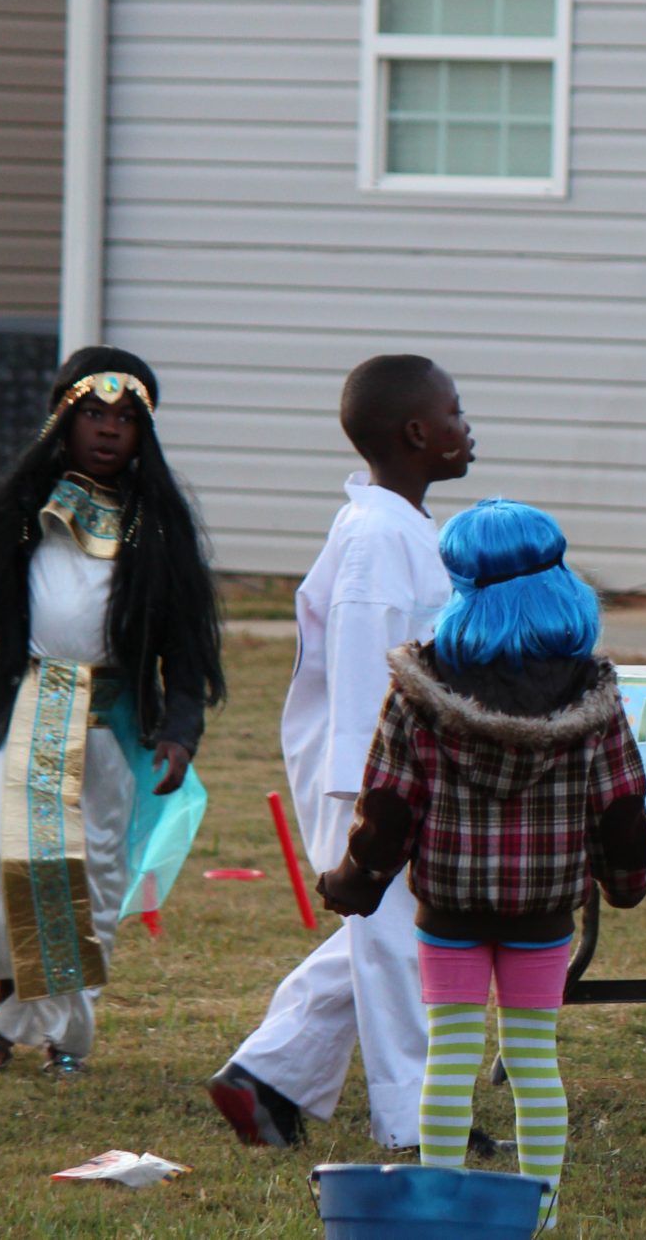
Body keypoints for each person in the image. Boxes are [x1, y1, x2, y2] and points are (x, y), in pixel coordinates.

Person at [315, 498, 646, 1231]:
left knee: (450, 1052)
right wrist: (627, 882)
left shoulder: (422, 691)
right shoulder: (593, 693)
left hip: (450, 910)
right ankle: (544, 1209)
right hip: (544, 913)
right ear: (558, 580)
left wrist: (358, 880)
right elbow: (621, 805)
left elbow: (389, 804)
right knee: (535, 1059)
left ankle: (440, 1198)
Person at [210, 354, 474, 1150]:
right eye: (457, 412)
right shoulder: (374, 541)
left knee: (383, 934)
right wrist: (382, 799)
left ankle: (267, 1075)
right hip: (372, 781)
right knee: (403, 947)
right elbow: (368, 684)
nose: (469, 427)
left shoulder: (400, 527)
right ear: (419, 432)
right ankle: (418, 1127)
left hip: (407, 773)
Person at [0, 349, 220, 1075]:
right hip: (23, 713)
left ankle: (42, 1033)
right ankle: (16, 1023)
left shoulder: (156, 530)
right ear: (64, 418)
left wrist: (181, 732)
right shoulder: (20, 518)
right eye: (94, 413)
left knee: (88, 884)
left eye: (126, 418)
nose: (108, 430)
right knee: (10, 864)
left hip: (110, 728)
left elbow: (185, 652)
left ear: (143, 433)